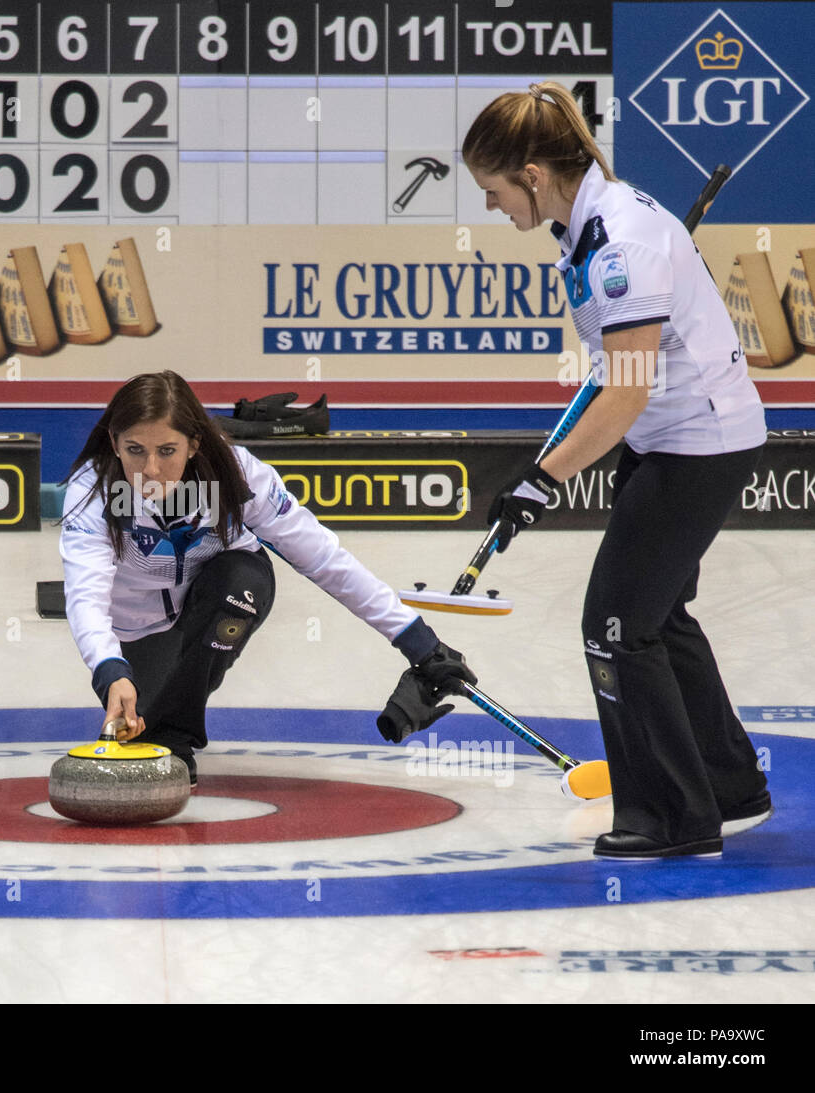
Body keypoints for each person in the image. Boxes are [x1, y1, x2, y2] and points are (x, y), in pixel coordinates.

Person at [461, 82, 771, 859]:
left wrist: (542, 477)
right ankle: (729, 782)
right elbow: (626, 372)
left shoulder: (620, 242)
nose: (494, 209)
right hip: (680, 433)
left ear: (532, 174)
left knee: (615, 628)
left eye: (495, 192)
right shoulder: (588, 225)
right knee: (656, 616)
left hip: (697, 440)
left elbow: (627, 392)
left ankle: (673, 817)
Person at [59, 370, 476, 786]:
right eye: (135, 450)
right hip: (132, 626)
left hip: (215, 604)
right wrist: (109, 667)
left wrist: (415, 638)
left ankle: (176, 738)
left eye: (167, 450)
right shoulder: (92, 492)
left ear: (194, 444)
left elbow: (321, 556)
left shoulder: (238, 477)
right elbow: (86, 594)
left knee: (238, 584)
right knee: (136, 711)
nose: (151, 470)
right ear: (113, 444)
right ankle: (160, 710)